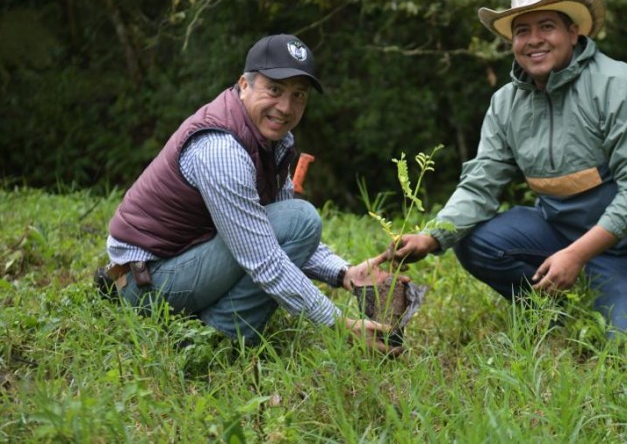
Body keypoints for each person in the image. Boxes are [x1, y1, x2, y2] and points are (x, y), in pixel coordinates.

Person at [390, 0, 627, 345]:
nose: (534, 40)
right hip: (562, 232)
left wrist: (576, 256)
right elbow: (481, 183)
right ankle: (557, 315)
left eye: (547, 26)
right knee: (476, 241)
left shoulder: (621, 87)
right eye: (522, 31)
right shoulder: (506, 104)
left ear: (574, 32)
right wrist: (431, 237)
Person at [98, 33, 403, 353]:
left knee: (298, 220)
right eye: (274, 89)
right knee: (302, 220)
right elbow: (265, 258)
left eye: (298, 95)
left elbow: (277, 231)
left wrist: (343, 273)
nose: (285, 107)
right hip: (147, 282)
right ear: (244, 85)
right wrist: (340, 325)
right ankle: (215, 340)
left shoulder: (273, 141)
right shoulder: (221, 149)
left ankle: (213, 328)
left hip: (175, 262)